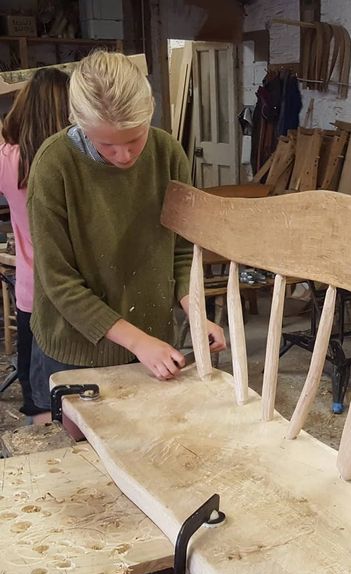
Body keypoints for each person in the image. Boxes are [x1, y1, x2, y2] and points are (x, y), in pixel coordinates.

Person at [27, 50, 226, 423]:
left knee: (149, 441)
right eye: (106, 144)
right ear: (80, 124)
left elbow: (180, 250)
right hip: (76, 347)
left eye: (134, 139)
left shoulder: (167, 152)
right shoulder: (54, 166)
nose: (123, 155)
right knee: (79, 454)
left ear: (150, 111)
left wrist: (194, 311)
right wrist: (138, 341)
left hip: (152, 337)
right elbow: (59, 282)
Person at [0, 67, 71, 418]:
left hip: (32, 291)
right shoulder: (75, 161)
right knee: (78, 392)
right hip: (76, 291)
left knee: (38, 397)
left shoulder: (7, 157)